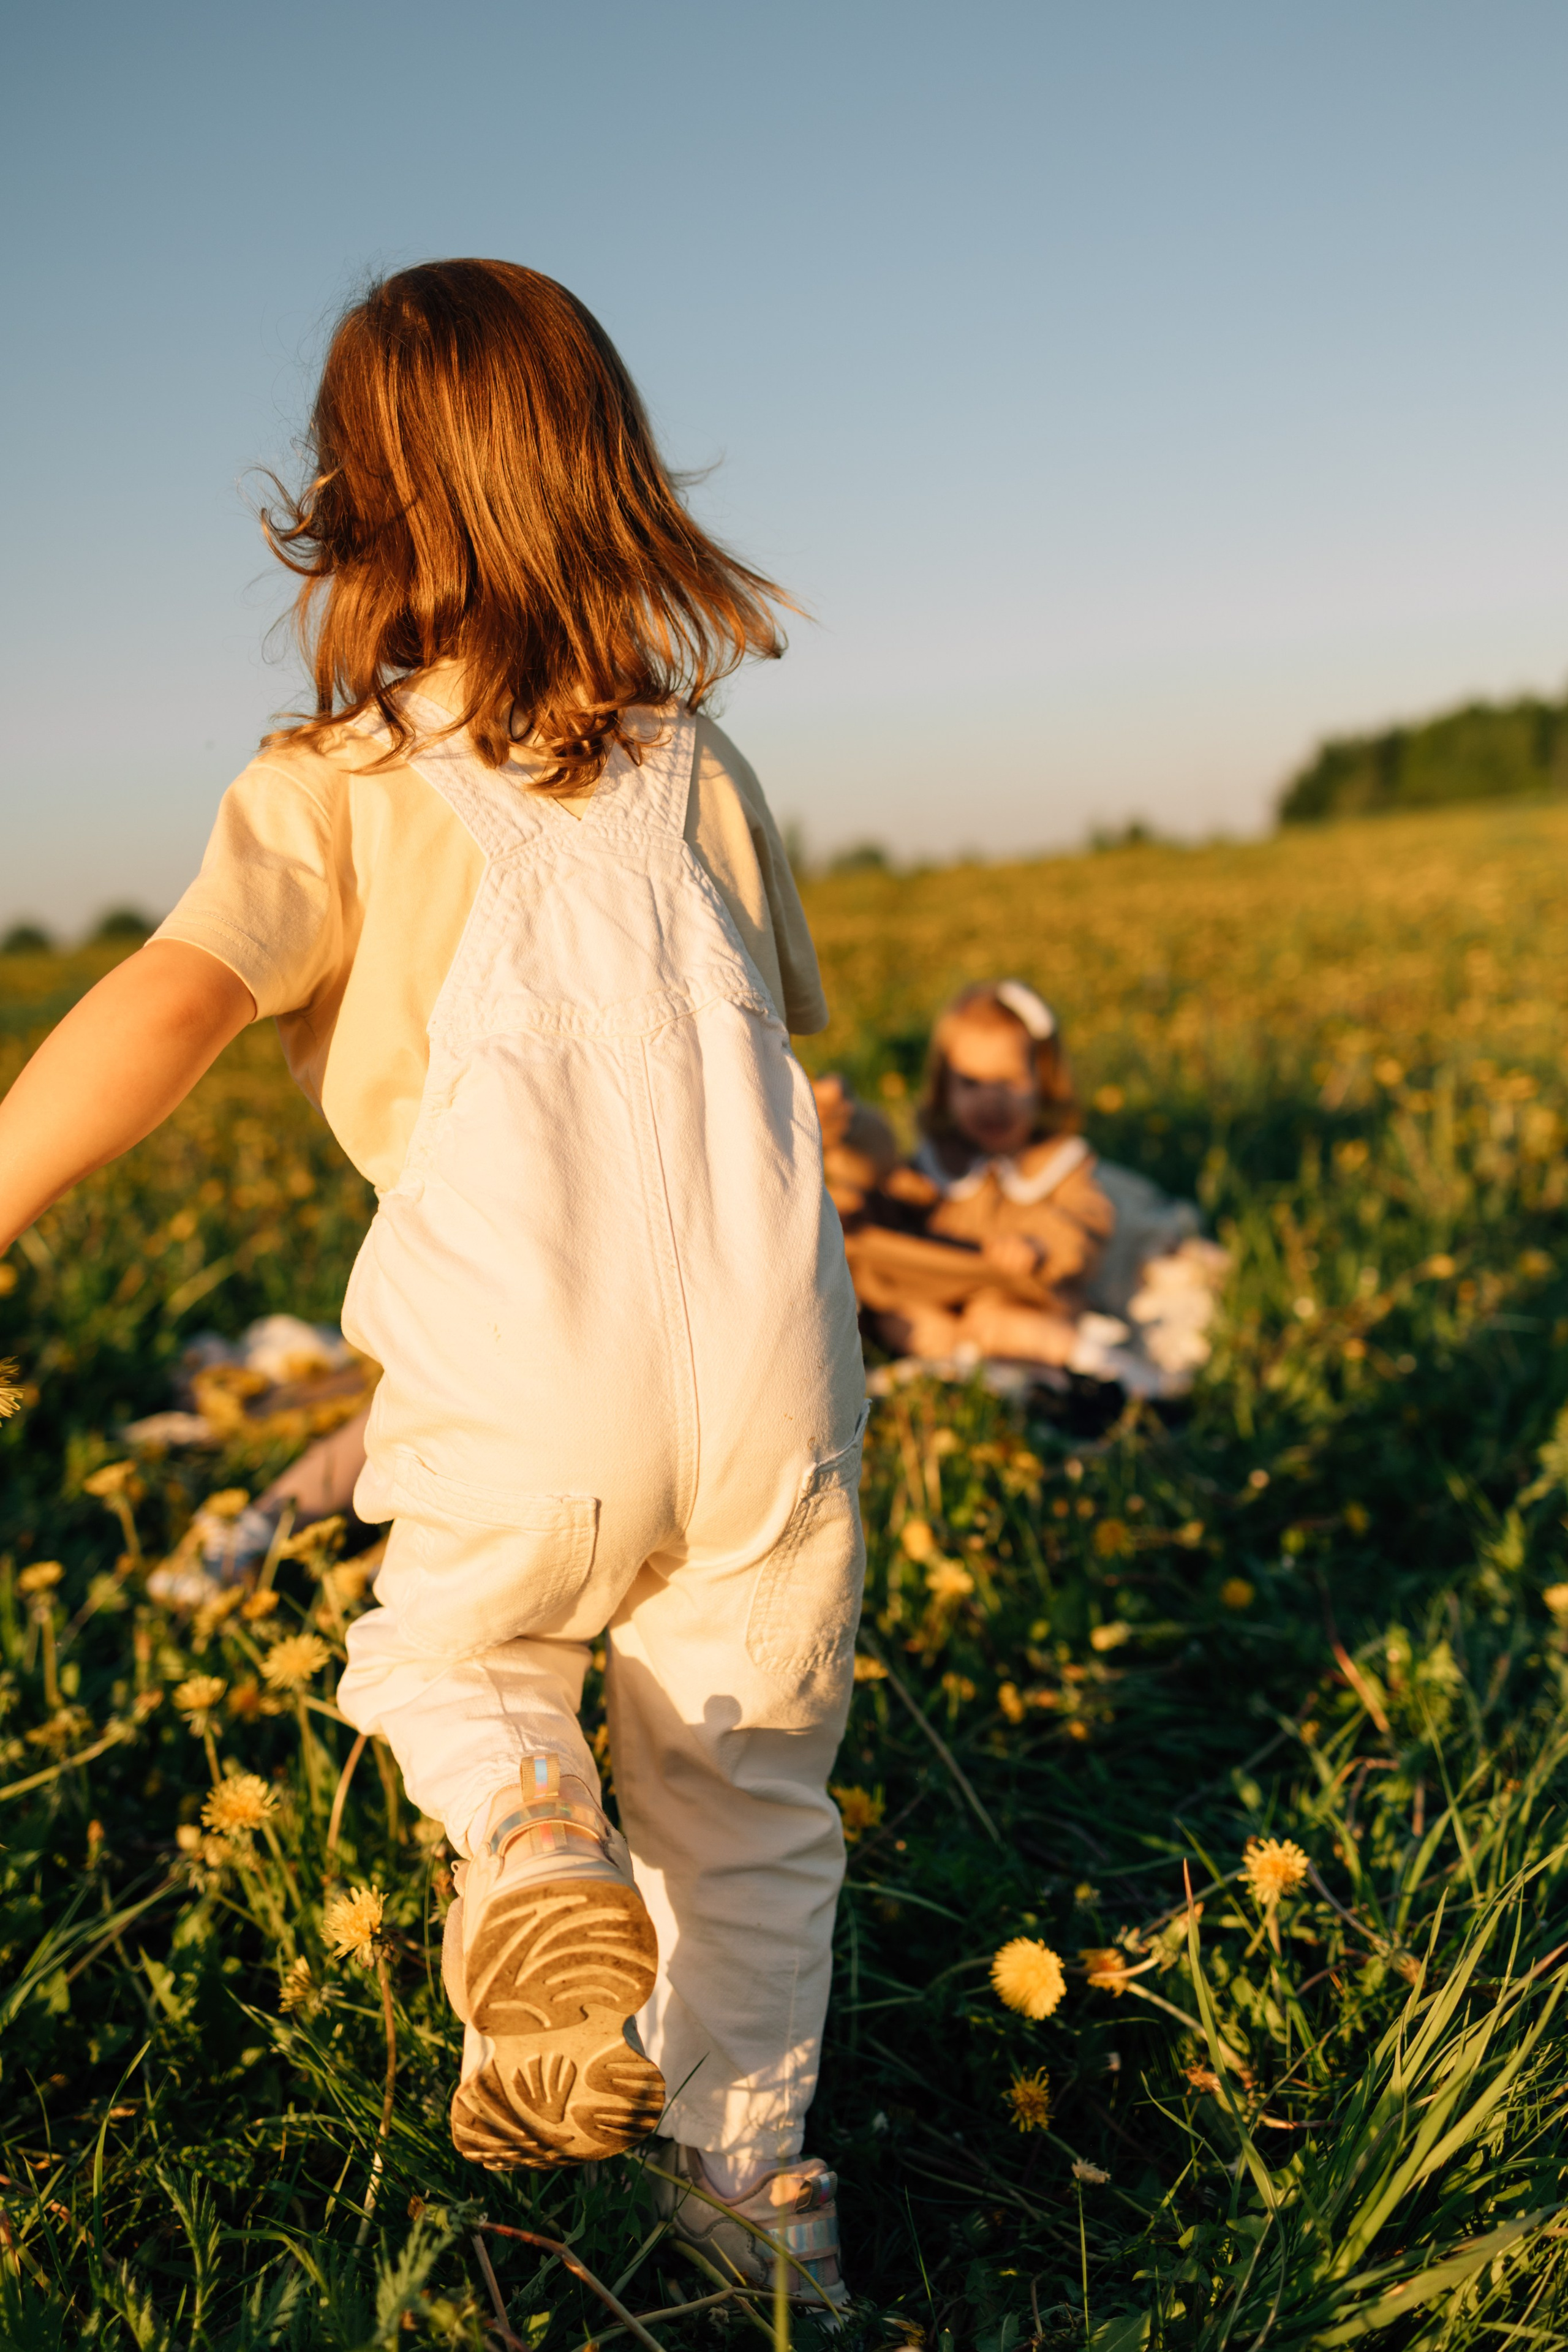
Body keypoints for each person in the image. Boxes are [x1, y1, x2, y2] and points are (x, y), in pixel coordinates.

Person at [0, 260, 861, 2309]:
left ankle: (534, 1850)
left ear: (358, 505)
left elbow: (168, 1005)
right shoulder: (703, 774)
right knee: (748, 1803)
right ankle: (754, 2233)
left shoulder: (340, 786)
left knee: (448, 1660)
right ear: (606, 478)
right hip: (777, 1375)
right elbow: (769, 1061)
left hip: (520, 1372)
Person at [837, 981, 1116, 1367]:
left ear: (1044, 1081)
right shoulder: (939, 1160)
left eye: (1008, 1081)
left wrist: (1040, 1246)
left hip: (1024, 1295)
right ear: (944, 1089)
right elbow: (903, 1201)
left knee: (999, 1321)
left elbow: (1088, 1220)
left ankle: (1102, 1365)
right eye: (970, 1083)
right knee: (901, 1320)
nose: (991, 1099)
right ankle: (965, 1369)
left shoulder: (1057, 1162)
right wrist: (864, 1201)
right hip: (944, 1294)